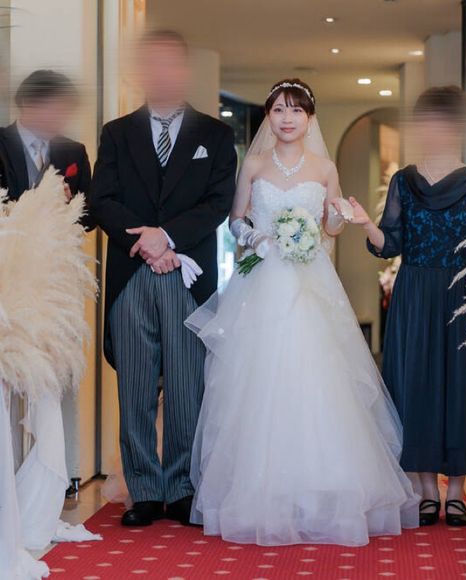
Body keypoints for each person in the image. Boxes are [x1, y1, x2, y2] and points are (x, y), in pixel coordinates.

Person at [184, 79, 419, 547]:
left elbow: (330, 227)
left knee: (317, 379)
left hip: (311, 283)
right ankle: (263, 493)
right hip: (262, 281)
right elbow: (235, 220)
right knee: (260, 381)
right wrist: (255, 237)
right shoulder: (253, 165)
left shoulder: (325, 167)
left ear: (310, 119)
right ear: (268, 117)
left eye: (295, 110)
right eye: (278, 110)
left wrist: (338, 218)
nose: (286, 118)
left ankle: (319, 492)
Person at [89, 29, 237, 527]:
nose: (162, 73)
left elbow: (218, 203)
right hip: (132, 270)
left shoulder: (215, 135)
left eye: (170, 64)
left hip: (187, 274)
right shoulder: (116, 133)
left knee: (186, 385)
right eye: (152, 64)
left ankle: (182, 488)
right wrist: (147, 242)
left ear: (184, 71)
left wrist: (167, 237)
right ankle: (145, 490)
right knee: (134, 385)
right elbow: (102, 198)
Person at [344, 86, 466, 527]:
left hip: (461, 297)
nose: (435, 130)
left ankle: (456, 492)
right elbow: (390, 243)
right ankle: (427, 490)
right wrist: (366, 224)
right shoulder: (404, 181)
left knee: (460, 386)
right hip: (413, 295)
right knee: (417, 387)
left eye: (444, 122)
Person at [0, 69, 93, 229]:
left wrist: (69, 205)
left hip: (58, 243)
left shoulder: (75, 152)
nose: (61, 118)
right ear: (27, 102)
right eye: (54, 108)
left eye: (66, 111)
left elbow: (90, 218)